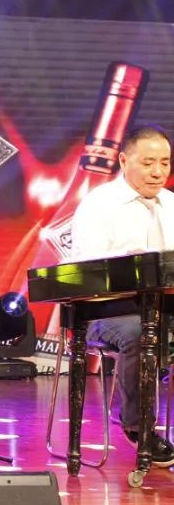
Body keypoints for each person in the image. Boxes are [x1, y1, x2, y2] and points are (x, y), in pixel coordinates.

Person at [69, 123, 174, 467]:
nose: (158, 172)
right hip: (107, 311)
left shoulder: (171, 204)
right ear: (124, 160)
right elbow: (85, 268)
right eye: (148, 163)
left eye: (165, 162)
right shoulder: (99, 204)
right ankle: (138, 425)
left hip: (163, 307)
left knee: (155, 327)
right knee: (141, 333)